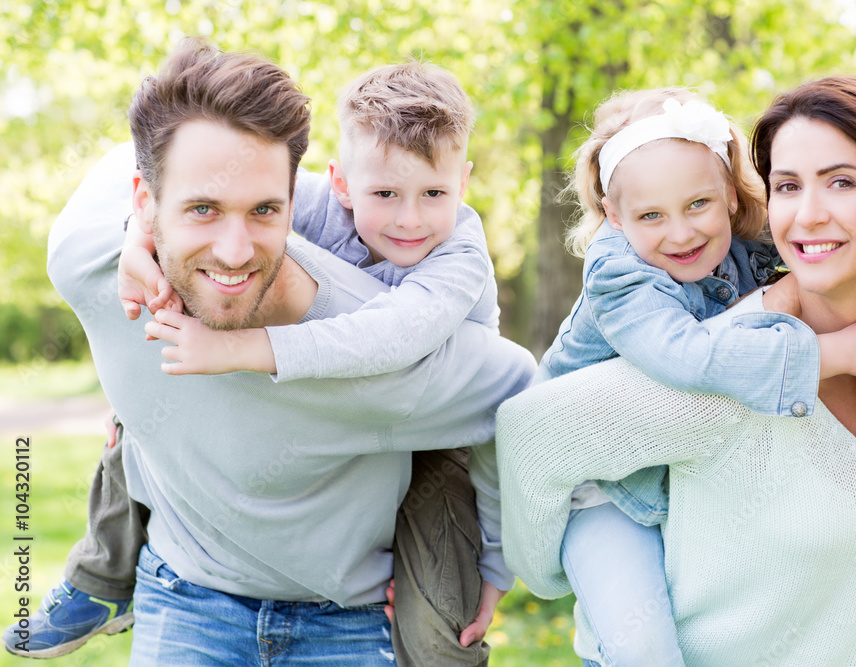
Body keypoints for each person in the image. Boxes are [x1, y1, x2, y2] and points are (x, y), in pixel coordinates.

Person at [5, 39, 535, 665]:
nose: (410, 219)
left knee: (440, 633)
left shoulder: (456, 259)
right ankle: (101, 579)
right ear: (339, 182)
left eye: (435, 195)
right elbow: (194, 165)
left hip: (438, 433)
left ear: (463, 186)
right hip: (186, 595)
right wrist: (137, 231)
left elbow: (395, 338)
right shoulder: (311, 202)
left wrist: (250, 348)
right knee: (132, 423)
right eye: (385, 195)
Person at [497, 75, 856, 667]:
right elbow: (529, 434)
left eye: (840, 181)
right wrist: (558, 572)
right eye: (788, 185)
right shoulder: (727, 371)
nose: (808, 214)